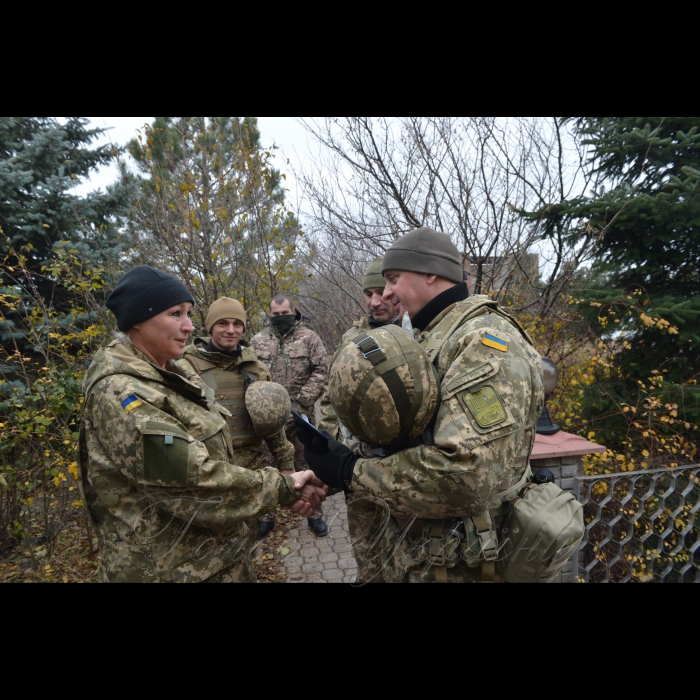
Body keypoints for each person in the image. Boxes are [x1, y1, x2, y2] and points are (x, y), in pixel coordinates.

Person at [297, 228, 544, 584]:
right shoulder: (433, 336)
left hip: (464, 566)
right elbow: (411, 440)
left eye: (394, 278)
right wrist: (329, 474)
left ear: (431, 273)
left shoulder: (485, 343)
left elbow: (466, 474)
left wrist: (352, 472)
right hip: (425, 557)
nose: (386, 293)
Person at [78, 267, 327, 583]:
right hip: (168, 569)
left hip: (215, 557)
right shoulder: (123, 394)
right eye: (175, 314)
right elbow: (191, 481)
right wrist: (283, 487)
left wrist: (287, 472)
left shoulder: (175, 372)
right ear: (137, 321)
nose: (187, 325)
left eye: (189, 314)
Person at [251, 296, 330, 538]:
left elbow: (322, 370)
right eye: (275, 314)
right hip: (268, 421)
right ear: (270, 315)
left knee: (306, 464)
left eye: (285, 312)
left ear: (294, 312)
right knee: (268, 466)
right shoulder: (258, 341)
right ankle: (267, 516)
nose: (280, 317)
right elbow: (248, 374)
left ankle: (314, 515)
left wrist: (301, 401)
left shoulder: (309, 338)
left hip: (300, 417)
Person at [318, 257, 401, 439]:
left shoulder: (414, 335)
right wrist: (329, 441)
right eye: (369, 294)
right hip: (352, 447)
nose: (374, 302)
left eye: (380, 292)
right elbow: (331, 396)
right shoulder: (351, 338)